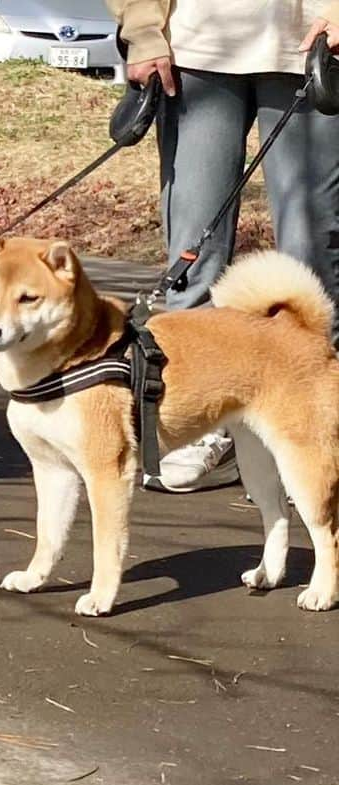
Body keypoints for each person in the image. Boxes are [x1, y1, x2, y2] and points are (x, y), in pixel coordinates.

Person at [108, 0, 339, 493]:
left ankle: (314, 425)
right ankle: (202, 421)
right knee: (192, 252)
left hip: (310, 38)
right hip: (195, 46)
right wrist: (143, 29)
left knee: (311, 258)